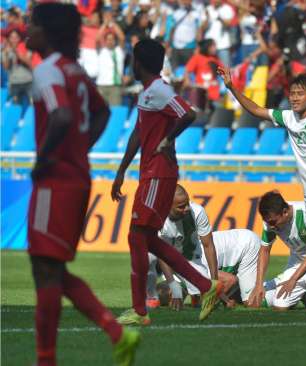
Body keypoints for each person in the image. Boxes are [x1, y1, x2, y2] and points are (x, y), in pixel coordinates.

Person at [24, 3, 139, 365]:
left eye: (32, 24)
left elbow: (59, 116)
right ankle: (117, 333)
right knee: (52, 268)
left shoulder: (48, 70)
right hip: (77, 178)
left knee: (44, 270)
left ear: (46, 31)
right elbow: (103, 112)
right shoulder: (75, 70)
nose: (26, 30)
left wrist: (45, 160)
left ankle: (46, 358)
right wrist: (80, 147)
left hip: (56, 181)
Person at [217, 68, 306, 312]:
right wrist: (231, 87)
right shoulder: (288, 118)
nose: (294, 98)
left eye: (299, 94)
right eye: (292, 94)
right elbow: (257, 110)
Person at [111, 38, 224, 326]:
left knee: (137, 235)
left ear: (139, 63)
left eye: (133, 60)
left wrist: (168, 139)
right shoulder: (147, 93)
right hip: (149, 172)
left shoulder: (160, 90)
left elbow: (188, 113)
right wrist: (121, 170)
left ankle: (139, 311)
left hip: (160, 174)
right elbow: (138, 133)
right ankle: (207, 286)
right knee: (146, 237)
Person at [145, 185, 237, 309]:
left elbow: (208, 245)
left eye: (187, 203)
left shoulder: (198, 212)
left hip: (189, 255)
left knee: (204, 299)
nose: (187, 208)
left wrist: (215, 284)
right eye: (181, 206)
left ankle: (194, 296)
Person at [2, 29, 33, 108]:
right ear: (9, 38)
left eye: (16, 37)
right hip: (14, 84)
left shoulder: (27, 48)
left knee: (30, 108)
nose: (14, 40)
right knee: (16, 108)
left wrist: (17, 52)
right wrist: (6, 55)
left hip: (28, 82)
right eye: (12, 37)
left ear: (20, 38)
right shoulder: (4, 51)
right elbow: (6, 67)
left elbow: (29, 63)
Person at [96, 32, 126, 106]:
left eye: (112, 39)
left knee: (115, 111)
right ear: (105, 41)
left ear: (115, 41)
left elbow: (122, 38)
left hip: (115, 86)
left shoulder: (119, 50)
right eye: (108, 39)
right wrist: (105, 24)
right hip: (101, 85)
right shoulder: (101, 51)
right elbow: (97, 39)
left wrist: (112, 23)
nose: (110, 41)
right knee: (101, 110)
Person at [170, 0, 202, 69]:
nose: (186, 1)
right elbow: (172, 30)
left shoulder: (196, 13)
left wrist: (198, 46)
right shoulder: (176, 12)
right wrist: (170, 45)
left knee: (189, 69)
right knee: (174, 69)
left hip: (189, 47)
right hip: (175, 46)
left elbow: (199, 31)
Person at [203, 0, 235, 68]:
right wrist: (207, 18)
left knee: (225, 69)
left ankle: (227, 79)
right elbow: (203, 28)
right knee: (209, 68)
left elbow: (228, 25)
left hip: (222, 45)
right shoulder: (207, 9)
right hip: (209, 45)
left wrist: (220, 18)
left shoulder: (227, 8)